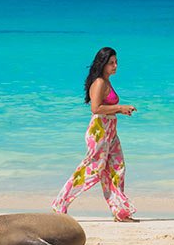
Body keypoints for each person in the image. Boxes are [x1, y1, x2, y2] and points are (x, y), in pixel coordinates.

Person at [52, 47, 138, 222]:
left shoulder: (106, 81)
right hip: (99, 130)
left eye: (116, 62)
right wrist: (120, 107)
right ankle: (60, 204)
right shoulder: (99, 82)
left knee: (117, 168)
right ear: (103, 64)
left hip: (111, 130)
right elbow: (96, 108)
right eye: (111, 63)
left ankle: (120, 211)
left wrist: (120, 111)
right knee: (91, 169)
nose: (115, 66)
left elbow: (106, 107)